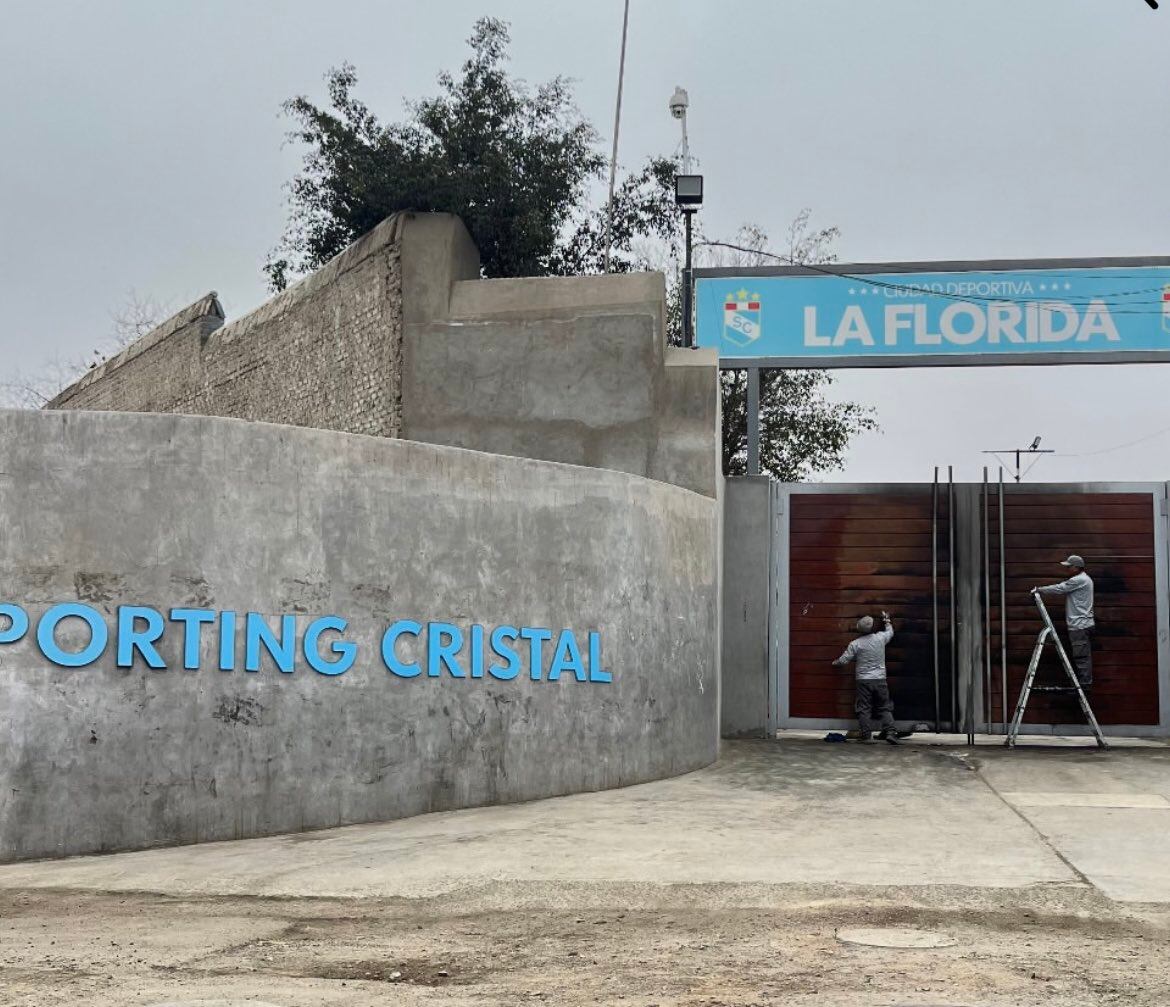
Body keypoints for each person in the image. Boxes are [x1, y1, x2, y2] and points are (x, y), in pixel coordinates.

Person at [832, 611, 899, 744]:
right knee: (884, 707)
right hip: (880, 679)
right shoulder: (880, 638)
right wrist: (886, 621)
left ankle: (866, 735)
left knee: (864, 708)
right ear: (872, 627)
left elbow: (844, 660)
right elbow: (890, 632)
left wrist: (835, 662)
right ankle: (891, 732)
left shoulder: (855, 644)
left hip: (863, 680)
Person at [1034, 555, 1095, 687]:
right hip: (1083, 624)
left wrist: (1040, 589)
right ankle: (1083, 683)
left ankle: (1084, 685)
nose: (1067, 569)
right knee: (1082, 655)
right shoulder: (1085, 579)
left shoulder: (1079, 580)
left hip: (1079, 625)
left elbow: (1060, 588)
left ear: (1077, 567)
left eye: (1069, 566)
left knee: (1081, 657)